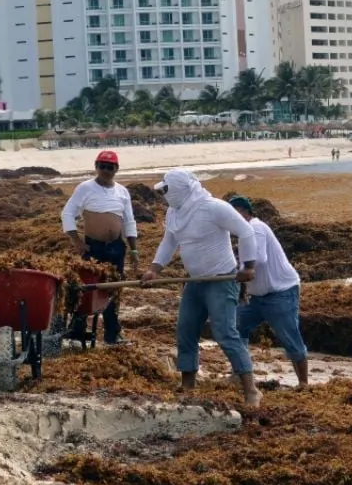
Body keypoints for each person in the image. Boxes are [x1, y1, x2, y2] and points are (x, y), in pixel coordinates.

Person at [142, 169, 262, 408]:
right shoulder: (175, 212)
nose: (164, 194)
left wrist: (248, 266)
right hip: (194, 281)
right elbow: (169, 242)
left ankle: (251, 389)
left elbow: (246, 231)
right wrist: (154, 269)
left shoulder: (213, 207)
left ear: (179, 189)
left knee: (225, 333)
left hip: (220, 280)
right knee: (186, 330)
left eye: (166, 189)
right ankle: (188, 384)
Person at [227, 196, 309, 388]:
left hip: (281, 292)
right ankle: (239, 371)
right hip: (258, 298)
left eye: (233, 213)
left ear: (244, 212)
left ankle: (303, 383)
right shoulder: (244, 233)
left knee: (289, 335)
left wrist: (241, 270)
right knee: (237, 324)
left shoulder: (255, 227)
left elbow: (260, 259)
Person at [60, 150, 138, 344]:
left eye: (109, 167)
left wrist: (134, 249)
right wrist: (77, 242)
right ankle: (77, 328)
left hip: (117, 248)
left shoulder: (122, 191)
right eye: (102, 166)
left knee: (114, 288)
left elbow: (129, 221)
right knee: (86, 286)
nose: (105, 170)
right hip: (93, 248)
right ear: (96, 167)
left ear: (116, 169)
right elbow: (67, 214)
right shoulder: (85, 188)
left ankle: (112, 333)